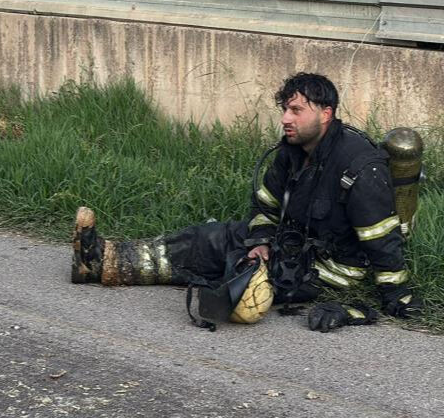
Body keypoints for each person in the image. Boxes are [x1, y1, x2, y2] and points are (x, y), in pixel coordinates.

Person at [71, 72, 421, 331]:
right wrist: (260, 241)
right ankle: (102, 260)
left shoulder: (359, 166)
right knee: (210, 238)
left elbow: (382, 240)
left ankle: (118, 266)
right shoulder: (292, 151)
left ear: (326, 113)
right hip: (291, 246)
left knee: (235, 280)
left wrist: (392, 297)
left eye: (296, 110)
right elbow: (266, 206)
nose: (286, 119)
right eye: (285, 109)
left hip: (332, 270)